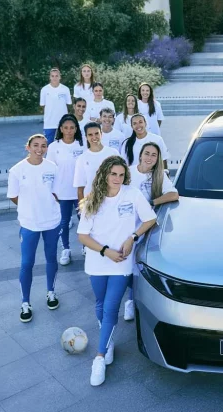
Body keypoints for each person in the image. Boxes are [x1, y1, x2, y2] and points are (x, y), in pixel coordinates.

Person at [77, 156, 157, 386]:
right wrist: (105, 251)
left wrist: (133, 237)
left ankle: (99, 357)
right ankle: (108, 341)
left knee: (111, 307)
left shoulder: (131, 195)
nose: (118, 179)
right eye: (113, 174)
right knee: (100, 304)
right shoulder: (93, 200)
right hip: (98, 261)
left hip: (121, 261)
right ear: (104, 174)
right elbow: (83, 235)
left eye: (121, 175)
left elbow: (149, 219)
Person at [6, 134, 61, 323]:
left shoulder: (52, 168)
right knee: (27, 263)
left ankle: (51, 293)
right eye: (35, 145)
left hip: (52, 222)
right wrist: (29, 207)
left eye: (43, 146)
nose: (40, 149)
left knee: (51, 258)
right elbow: (14, 196)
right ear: (27, 147)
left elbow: (57, 191)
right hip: (29, 224)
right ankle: (25, 302)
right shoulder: (16, 170)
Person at [122, 142, 179, 321]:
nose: (149, 158)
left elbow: (173, 194)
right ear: (140, 155)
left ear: (157, 159)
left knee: (138, 266)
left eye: (154, 155)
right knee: (125, 267)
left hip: (146, 228)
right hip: (125, 225)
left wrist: (152, 202)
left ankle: (131, 301)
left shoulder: (159, 175)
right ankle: (127, 298)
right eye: (147, 153)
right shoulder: (128, 172)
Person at [47, 115, 85, 266]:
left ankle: (86, 246)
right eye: (66, 128)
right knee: (63, 222)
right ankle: (66, 249)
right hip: (61, 191)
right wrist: (51, 191)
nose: (69, 131)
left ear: (76, 129)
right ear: (61, 129)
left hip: (80, 191)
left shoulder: (82, 145)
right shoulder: (54, 147)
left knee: (84, 219)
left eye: (72, 128)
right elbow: (49, 171)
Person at [73, 123, 120, 201]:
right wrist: (82, 209)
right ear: (86, 137)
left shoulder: (113, 153)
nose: (94, 137)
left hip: (113, 200)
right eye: (90, 135)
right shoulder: (82, 158)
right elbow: (80, 188)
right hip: (91, 202)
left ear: (101, 134)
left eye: (96, 133)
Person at [40, 68, 72, 144]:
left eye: (56, 76)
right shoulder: (44, 90)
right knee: (48, 145)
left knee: (64, 144)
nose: (54, 78)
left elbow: (69, 104)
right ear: (50, 77)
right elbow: (42, 105)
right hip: (49, 123)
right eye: (52, 76)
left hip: (63, 122)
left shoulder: (65, 89)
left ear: (60, 77)